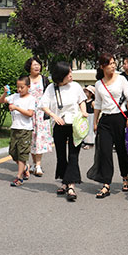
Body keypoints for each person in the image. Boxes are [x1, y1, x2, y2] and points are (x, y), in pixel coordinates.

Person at [38, 62, 88, 202]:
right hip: (59, 125)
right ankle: (64, 182)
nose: (71, 75)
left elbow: (82, 100)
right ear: (61, 76)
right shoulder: (51, 88)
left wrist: (83, 112)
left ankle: (71, 186)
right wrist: (54, 116)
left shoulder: (75, 86)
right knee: (61, 155)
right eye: (68, 73)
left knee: (73, 155)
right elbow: (43, 105)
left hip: (74, 125)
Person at [91, 54, 128, 199]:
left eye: (114, 63)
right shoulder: (99, 84)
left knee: (121, 150)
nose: (113, 66)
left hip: (120, 119)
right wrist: (95, 121)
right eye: (110, 64)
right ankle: (106, 184)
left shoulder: (121, 79)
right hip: (105, 121)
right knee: (105, 152)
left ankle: (125, 177)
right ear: (102, 67)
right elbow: (98, 104)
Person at [0, 75, 36, 187]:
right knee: (12, 152)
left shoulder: (31, 99)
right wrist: (5, 93)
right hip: (15, 128)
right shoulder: (14, 97)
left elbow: (30, 113)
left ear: (28, 87)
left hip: (25, 130)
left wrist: (16, 108)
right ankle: (25, 168)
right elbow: (1, 101)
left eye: (22, 87)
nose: (19, 89)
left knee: (22, 154)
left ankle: (19, 177)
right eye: (18, 87)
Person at [26, 57, 53, 178]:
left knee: (40, 138)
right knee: (31, 138)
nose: (37, 67)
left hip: (41, 113)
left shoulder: (44, 80)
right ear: (29, 67)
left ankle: (38, 165)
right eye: (34, 65)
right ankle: (33, 163)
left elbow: (50, 95)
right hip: (29, 112)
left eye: (38, 64)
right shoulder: (26, 80)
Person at [82, 85, 96, 150]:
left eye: (86, 92)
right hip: (85, 117)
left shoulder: (92, 102)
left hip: (91, 117)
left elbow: (95, 110)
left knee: (90, 130)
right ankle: (84, 141)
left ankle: (90, 143)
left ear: (91, 94)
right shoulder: (84, 101)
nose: (85, 93)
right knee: (84, 129)